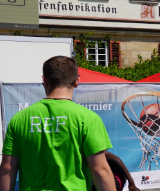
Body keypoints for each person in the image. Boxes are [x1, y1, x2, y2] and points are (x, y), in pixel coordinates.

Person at [0, 56, 116, 191]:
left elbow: (7, 169)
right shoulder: (88, 118)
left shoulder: (19, 119)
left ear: (45, 81)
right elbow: (100, 170)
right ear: (77, 81)